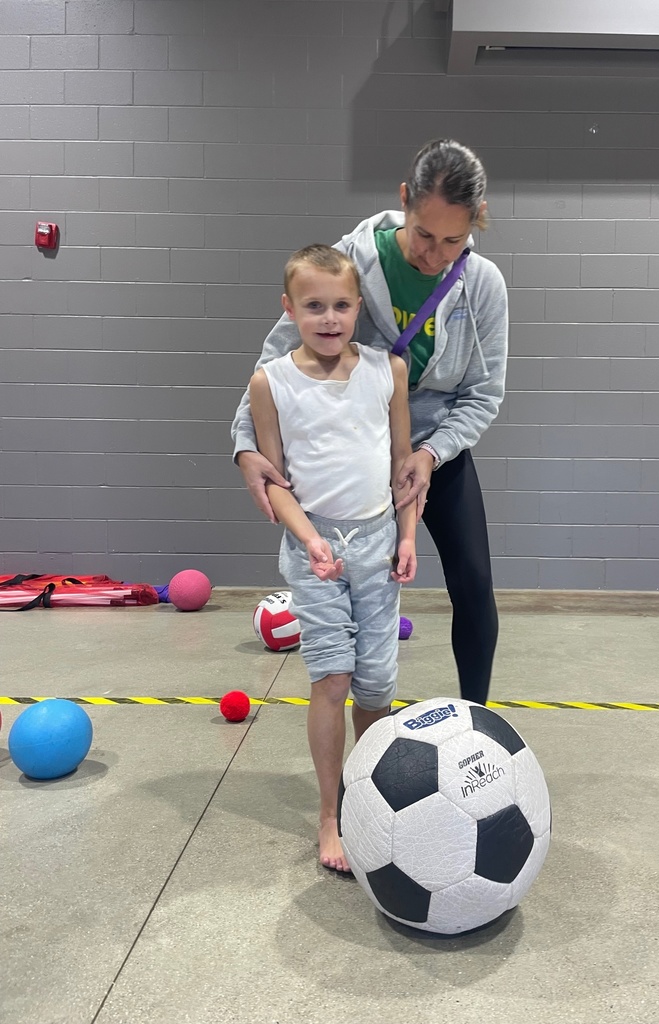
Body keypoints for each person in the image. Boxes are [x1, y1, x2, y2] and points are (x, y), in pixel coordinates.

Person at [232, 138, 508, 707]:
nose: (434, 255)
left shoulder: (482, 286)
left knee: (475, 585)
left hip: (432, 453)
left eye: (453, 241)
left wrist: (430, 456)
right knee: (347, 612)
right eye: (425, 235)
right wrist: (244, 447)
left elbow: (482, 395)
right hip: (352, 454)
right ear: (405, 201)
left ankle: (478, 719)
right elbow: (274, 364)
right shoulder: (349, 262)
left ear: (476, 222)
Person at [249, 244, 418, 872]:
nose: (329, 318)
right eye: (314, 305)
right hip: (314, 545)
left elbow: (404, 469)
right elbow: (275, 479)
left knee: (375, 686)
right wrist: (310, 539)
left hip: (378, 542)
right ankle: (330, 815)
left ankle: (370, 804)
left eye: (342, 305)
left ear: (358, 308)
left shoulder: (386, 371)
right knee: (333, 679)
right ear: (289, 308)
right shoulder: (271, 382)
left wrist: (406, 536)